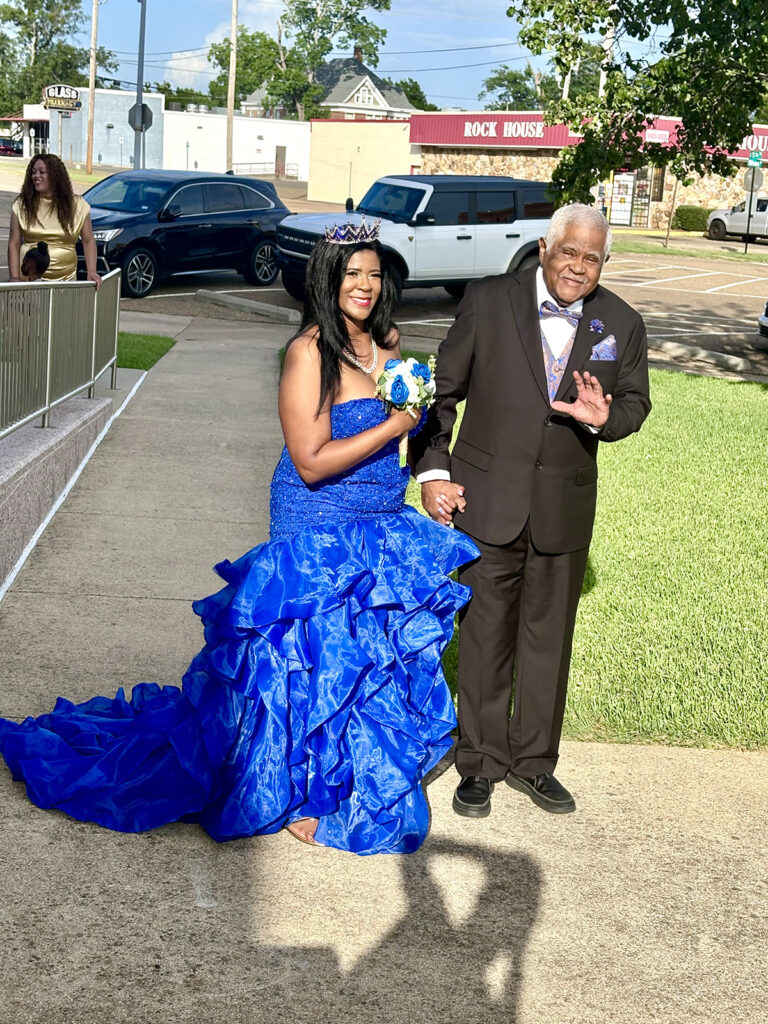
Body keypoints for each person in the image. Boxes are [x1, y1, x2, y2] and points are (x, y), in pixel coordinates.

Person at [0, 224, 479, 855]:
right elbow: (310, 459)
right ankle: (302, 788)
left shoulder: (388, 343)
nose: (364, 286)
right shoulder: (309, 352)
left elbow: (411, 437)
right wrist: (395, 421)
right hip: (317, 517)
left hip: (380, 521)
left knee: (364, 653)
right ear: (327, 279)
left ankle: (341, 773)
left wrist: (424, 466)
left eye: (373, 272)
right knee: (314, 653)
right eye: (350, 273)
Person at [412, 204, 651, 820]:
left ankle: (535, 763)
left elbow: (634, 404)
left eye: (592, 257)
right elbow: (441, 394)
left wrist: (608, 419)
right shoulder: (489, 300)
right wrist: (435, 470)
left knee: (549, 640)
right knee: (486, 636)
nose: (578, 266)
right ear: (545, 247)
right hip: (485, 500)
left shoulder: (621, 322)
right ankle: (481, 764)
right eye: (569, 251)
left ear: (604, 263)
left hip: (563, 508)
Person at [8, 153, 101, 288]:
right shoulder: (22, 205)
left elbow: (88, 240)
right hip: (28, 281)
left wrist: (92, 271)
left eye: (42, 172)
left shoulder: (78, 206)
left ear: (55, 176)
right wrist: (14, 278)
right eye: (33, 172)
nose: (36, 176)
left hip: (65, 281)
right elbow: (14, 243)